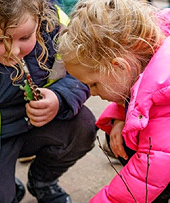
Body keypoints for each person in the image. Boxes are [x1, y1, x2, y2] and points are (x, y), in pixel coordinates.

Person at [0, 0, 97, 203]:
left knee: (83, 126)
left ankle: (42, 182)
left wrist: (60, 97)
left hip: (39, 125)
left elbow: (86, 72)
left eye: (25, 37)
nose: (14, 51)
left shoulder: (58, 25)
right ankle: (3, 181)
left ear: (40, 15)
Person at [59, 0, 170, 202]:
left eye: (94, 84)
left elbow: (143, 179)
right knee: (121, 140)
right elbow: (141, 92)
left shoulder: (166, 104)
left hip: (162, 161)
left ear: (119, 66)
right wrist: (120, 117)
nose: (91, 93)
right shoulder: (145, 58)